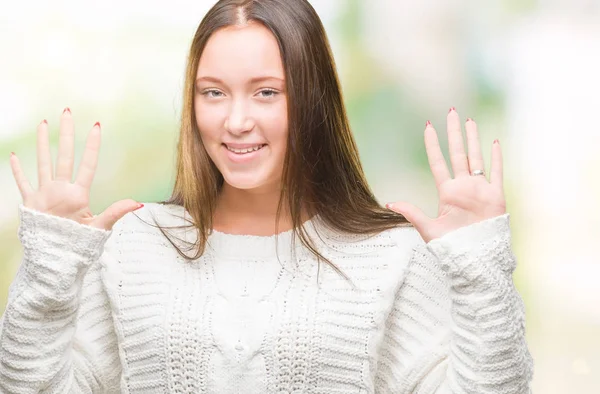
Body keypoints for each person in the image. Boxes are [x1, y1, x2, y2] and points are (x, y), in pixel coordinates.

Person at [0, 0, 533, 392]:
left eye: (266, 92)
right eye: (213, 92)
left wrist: (480, 273)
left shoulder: (391, 255)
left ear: (313, 100)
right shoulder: (131, 248)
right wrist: (50, 269)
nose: (235, 121)